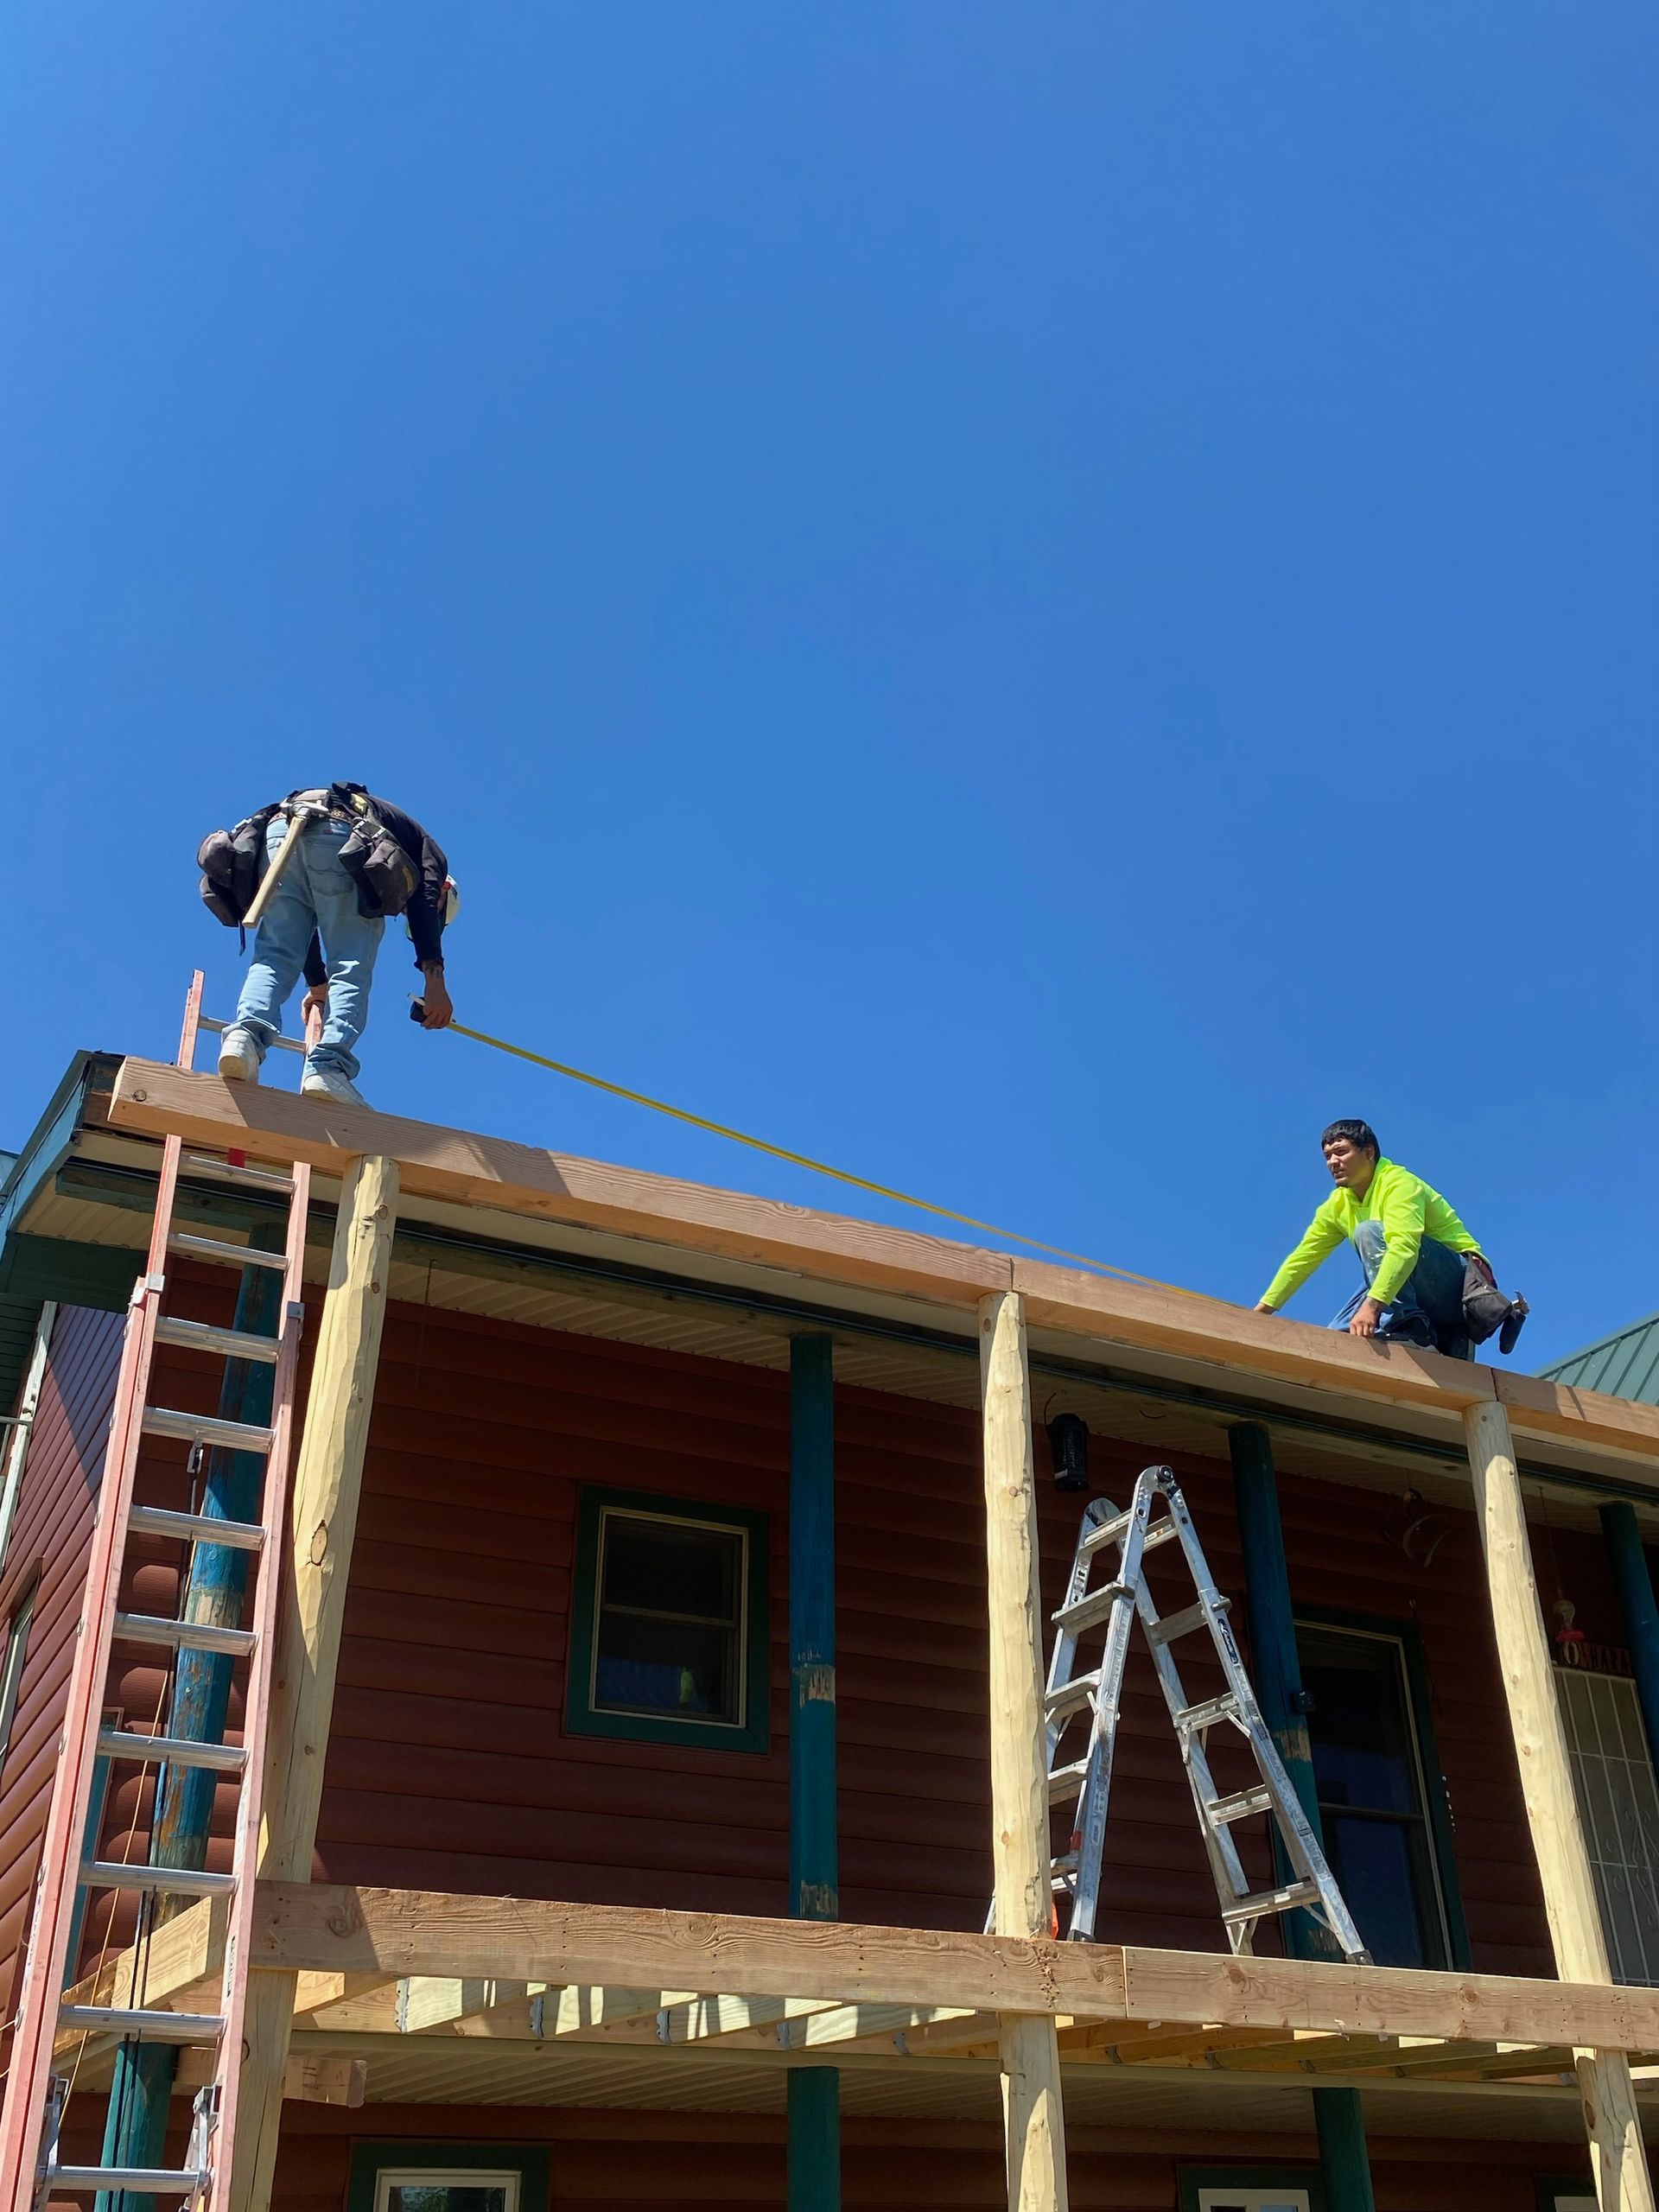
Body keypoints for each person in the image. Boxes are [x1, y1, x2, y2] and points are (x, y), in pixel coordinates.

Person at [215, 783, 454, 1108]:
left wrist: (317, 985)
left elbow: (304, 931)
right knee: (350, 965)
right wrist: (434, 982)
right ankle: (328, 1067)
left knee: (275, 954)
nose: (402, 910)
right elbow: (425, 902)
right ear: (446, 890)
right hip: (343, 835)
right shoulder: (434, 859)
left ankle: (244, 1039)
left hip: (280, 831)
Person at [1255, 1119, 1527, 1360]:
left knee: (1368, 1232)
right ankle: (1414, 1328)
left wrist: (1372, 1307)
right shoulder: (1337, 1205)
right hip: (1410, 1285)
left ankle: (1413, 1329)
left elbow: (1405, 1249)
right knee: (1339, 1335)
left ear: (1369, 1152)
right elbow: (1303, 1258)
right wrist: (1261, 1314)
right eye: (1327, 1156)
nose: (1332, 1163)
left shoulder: (1399, 1183)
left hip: (1457, 1290)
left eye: (1341, 1152)